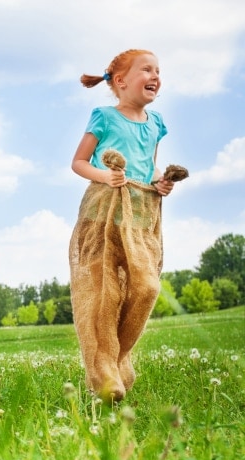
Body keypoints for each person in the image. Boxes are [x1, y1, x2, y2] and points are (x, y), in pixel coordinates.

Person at [69, 49, 174, 403]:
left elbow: (150, 166)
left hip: (141, 218)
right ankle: (103, 370)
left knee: (146, 287)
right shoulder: (104, 117)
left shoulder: (156, 123)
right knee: (104, 293)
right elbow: (79, 162)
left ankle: (115, 358)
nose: (156, 75)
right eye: (147, 69)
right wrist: (106, 176)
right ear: (121, 80)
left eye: (158, 70)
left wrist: (160, 182)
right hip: (102, 214)